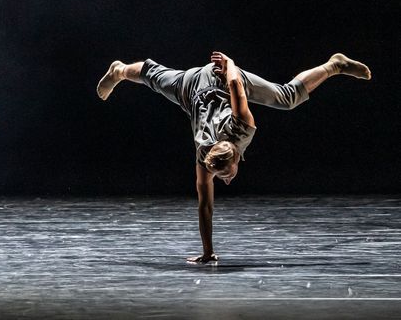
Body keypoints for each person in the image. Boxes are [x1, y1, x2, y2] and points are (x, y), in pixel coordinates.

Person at [97, 51, 370, 263]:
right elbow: (205, 205)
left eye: (223, 176)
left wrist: (230, 64)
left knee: (287, 97)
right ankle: (119, 70)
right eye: (224, 176)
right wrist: (208, 252)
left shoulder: (242, 126)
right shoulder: (208, 155)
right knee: (152, 75)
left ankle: (335, 65)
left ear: (235, 158)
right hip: (195, 88)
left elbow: (237, 86)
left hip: (214, 82)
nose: (225, 181)